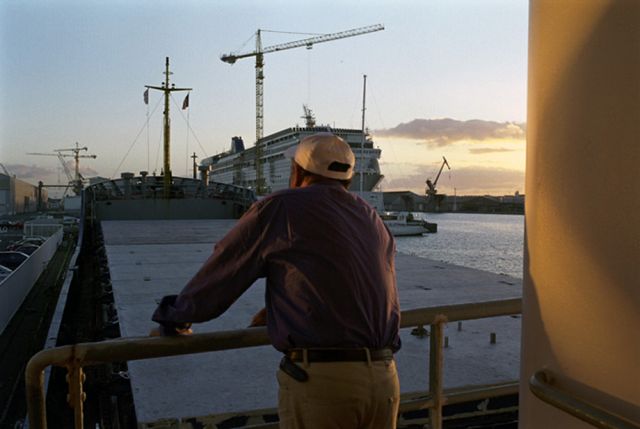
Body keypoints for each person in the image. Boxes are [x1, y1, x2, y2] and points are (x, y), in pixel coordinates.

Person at [151, 132, 401, 428]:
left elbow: (225, 270)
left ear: (297, 172)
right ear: (348, 177)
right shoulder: (371, 217)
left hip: (325, 384)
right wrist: (286, 309)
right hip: (385, 380)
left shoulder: (281, 207)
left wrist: (175, 317)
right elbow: (358, 285)